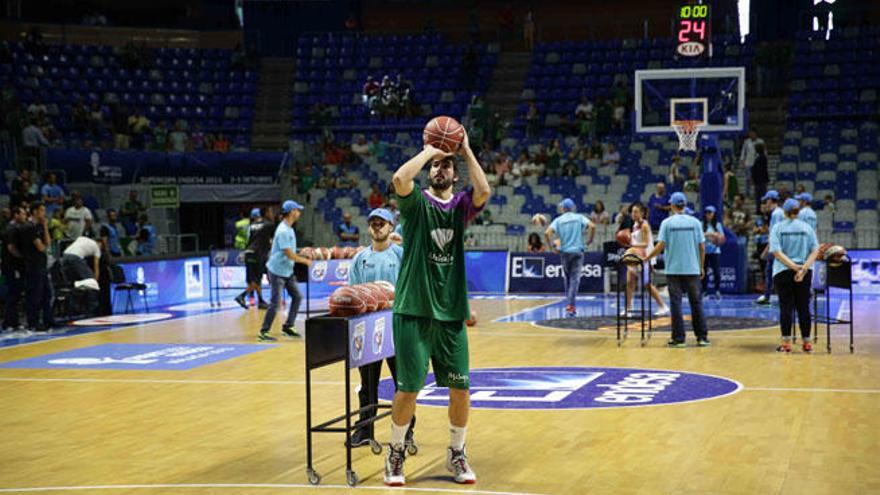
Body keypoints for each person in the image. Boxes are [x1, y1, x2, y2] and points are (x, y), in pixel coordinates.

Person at [384, 127, 490, 486]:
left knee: (461, 388)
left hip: (450, 313)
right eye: (436, 166)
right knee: (408, 388)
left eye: (447, 166)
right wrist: (431, 151)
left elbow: (484, 190)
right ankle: (395, 453)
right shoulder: (415, 204)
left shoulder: (460, 207)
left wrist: (466, 150)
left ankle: (457, 453)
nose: (440, 170)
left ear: (454, 173)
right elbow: (400, 178)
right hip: (413, 310)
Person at [347, 208, 414, 448]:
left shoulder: (401, 255)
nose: (377, 227)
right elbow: (353, 293)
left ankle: (405, 431)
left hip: (396, 327)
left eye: (382, 223)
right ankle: (365, 430)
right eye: (373, 223)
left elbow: (411, 289)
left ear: (391, 227)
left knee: (402, 384)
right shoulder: (360, 258)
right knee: (367, 385)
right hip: (367, 328)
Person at [642, 192, 709, 348]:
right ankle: (702, 337)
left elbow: (660, 245)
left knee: (676, 304)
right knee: (696, 303)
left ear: (671, 205)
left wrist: (647, 257)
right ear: (685, 205)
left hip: (673, 269)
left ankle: (679, 339)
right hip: (692, 268)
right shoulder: (695, 223)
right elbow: (702, 247)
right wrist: (701, 266)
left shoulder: (667, 223)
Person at [770, 198, 820, 352]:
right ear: (798, 211)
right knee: (803, 307)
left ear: (784, 211)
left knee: (786, 307)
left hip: (783, 271)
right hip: (804, 272)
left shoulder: (777, 228)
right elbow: (815, 250)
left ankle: (786, 344)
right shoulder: (807, 228)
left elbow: (776, 252)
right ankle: (807, 343)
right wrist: (803, 269)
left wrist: (793, 267)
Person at [258, 200, 311, 342]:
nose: (299, 213)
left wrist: (302, 255)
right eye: (298, 210)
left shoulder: (289, 228)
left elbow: (292, 252)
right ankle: (263, 332)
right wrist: (305, 261)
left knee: (297, 296)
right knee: (275, 303)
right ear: (292, 212)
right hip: (276, 271)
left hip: (287, 271)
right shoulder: (282, 230)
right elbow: (289, 254)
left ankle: (288, 326)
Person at [544, 198, 595, 318]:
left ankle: (569, 304)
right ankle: (570, 305)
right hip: (578, 251)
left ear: (563, 208)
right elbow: (592, 226)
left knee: (567, 279)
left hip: (565, 252)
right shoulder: (579, 217)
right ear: (573, 207)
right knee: (574, 280)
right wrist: (590, 240)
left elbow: (547, 233)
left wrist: (551, 247)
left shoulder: (558, 220)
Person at [622, 203, 669, 317]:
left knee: (647, 284)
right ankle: (628, 309)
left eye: (636, 211)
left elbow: (646, 243)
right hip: (635, 256)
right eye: (632, 211)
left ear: (642, 213)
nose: (634, 214)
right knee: (629, 282)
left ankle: (663, 306)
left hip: (645, 257)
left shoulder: (645, 225)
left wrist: (631, 244)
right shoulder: (634, 225)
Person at [20, 202, 55, 331]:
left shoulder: (39, 226)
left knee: (47, 294)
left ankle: (48, 320)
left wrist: (45, 226)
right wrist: (44, 247)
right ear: (34, 211)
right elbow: (41, 247)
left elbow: (48, 243)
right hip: (33, 266)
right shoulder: (29, 227)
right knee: (35, 295)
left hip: (42, 265)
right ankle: (33, 322)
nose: (43, 213)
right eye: (41, 210)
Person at [236, 208, 273, 310]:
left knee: (255, 279)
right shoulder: (268, 225)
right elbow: (272, 239)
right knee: (256, 281)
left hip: (248, 252)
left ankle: (260, 301)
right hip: (258, 254)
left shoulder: (251, 226)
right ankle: (241, 296)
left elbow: (248, 239)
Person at [756, 190, 785, 305]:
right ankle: (769, 295)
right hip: (779, 248)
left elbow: (774, 233)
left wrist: (766, 250)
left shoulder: (776, 214)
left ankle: (768, 296)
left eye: (766, 200)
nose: (765, 203)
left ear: (770, 200)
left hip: (776, 248)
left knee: (770, 272)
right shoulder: (779, 212)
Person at [2, 207, 27, 331]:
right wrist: (22, 258)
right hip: (12, 266)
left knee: (15, 294)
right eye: (23, 214)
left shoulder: (15, 228)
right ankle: (10, 322)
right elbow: (11, 247)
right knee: (13, 293)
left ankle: (11, 321)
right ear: (16, 214)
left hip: (12, 266)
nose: (25, 216)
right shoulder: (11, 229)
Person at [702, 206, 726, 300]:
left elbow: (722, 238)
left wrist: (716, 237)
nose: (708, 215)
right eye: (707, 213)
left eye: (710, 213)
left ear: (714, 214)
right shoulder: (702, 224)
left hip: (715, 251)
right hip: (704, 251)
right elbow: (700, 235)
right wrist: (710, 234)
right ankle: (704, 291)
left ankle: (717, 290)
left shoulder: (718, 225)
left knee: (716, 271)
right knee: (704, 271)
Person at [751, 143, 769, 212]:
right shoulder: (761, 157)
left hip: (760, 180)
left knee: (760, 196)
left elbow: (758, 170)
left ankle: (761, 209)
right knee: (759, 196)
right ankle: (759, 209)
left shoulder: (760, 158)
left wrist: (753, 177)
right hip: (760, 180)